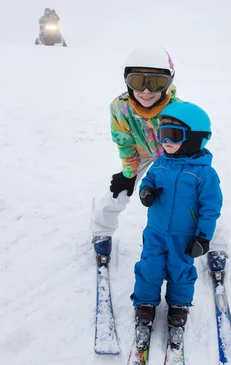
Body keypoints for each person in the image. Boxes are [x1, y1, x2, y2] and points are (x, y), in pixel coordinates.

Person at [131, 101, 223, 331]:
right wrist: (146, 191)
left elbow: (211, 207)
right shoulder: (161, 163)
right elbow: (148, 180)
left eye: (173, 135)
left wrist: (203, 237)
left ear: (194, 138)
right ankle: (145, 302)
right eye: (162, 135)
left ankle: (179, 305)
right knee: (149, 267)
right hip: (155, 231)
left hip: (183, 236)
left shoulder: (205, 173)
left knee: (180, 271)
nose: (166, 142)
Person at [92, 47, 179, 263]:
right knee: (120, 189)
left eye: (156, 83)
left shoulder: (178, 110)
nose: (147, 91)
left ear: (168, 83)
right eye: (138, 81)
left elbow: (186, 144)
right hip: (139, 152)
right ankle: (102, 229)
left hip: (169, 155)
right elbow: (124, 141)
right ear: (127, 81)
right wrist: (129, 174)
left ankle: (216, 242)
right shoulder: (120, 107)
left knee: (191, 193)